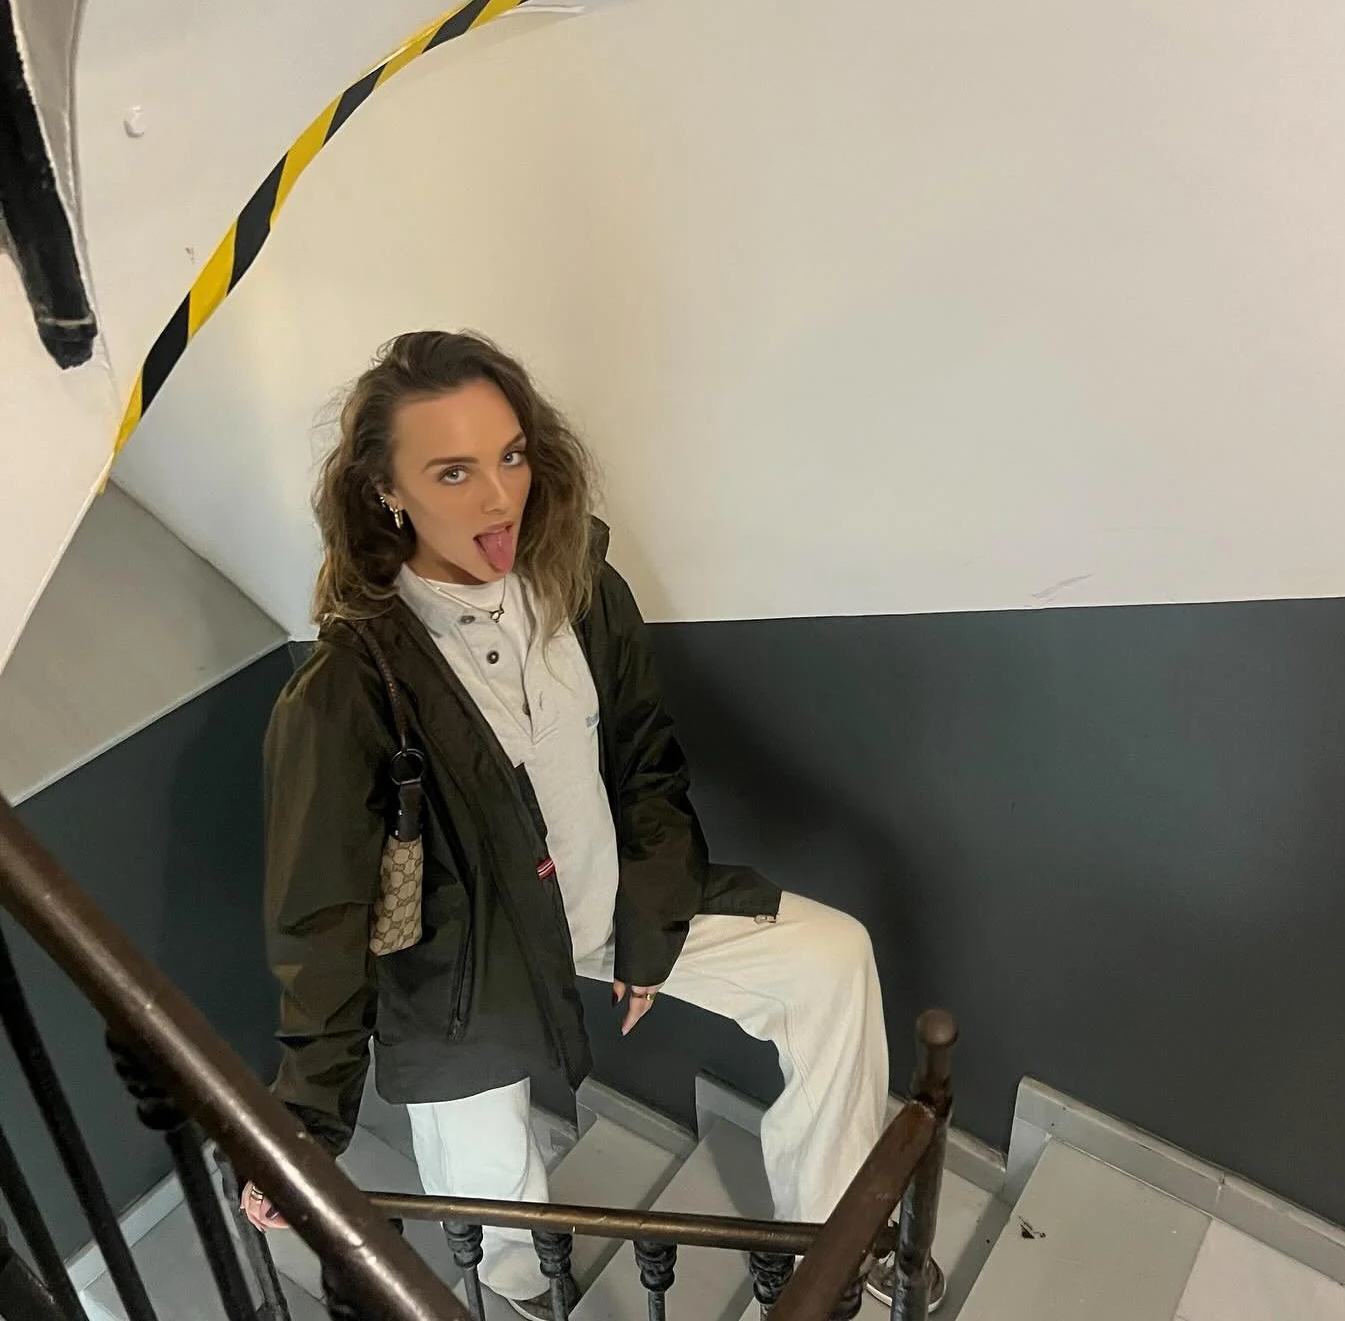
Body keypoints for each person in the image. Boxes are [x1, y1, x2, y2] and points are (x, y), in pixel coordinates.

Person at [240, 330, 932, 1317]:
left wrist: (648, 928)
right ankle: (524, 1293)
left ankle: (832, 1246)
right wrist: (304, 1120)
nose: (498, 497)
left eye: (511, 455)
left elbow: (648, 763)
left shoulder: (581, 584)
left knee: (831, 961)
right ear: (386, 490)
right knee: (488, 1191)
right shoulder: (345, 688)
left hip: (606, 900)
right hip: (468, 964)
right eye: (452, 471)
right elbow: (319, 918)